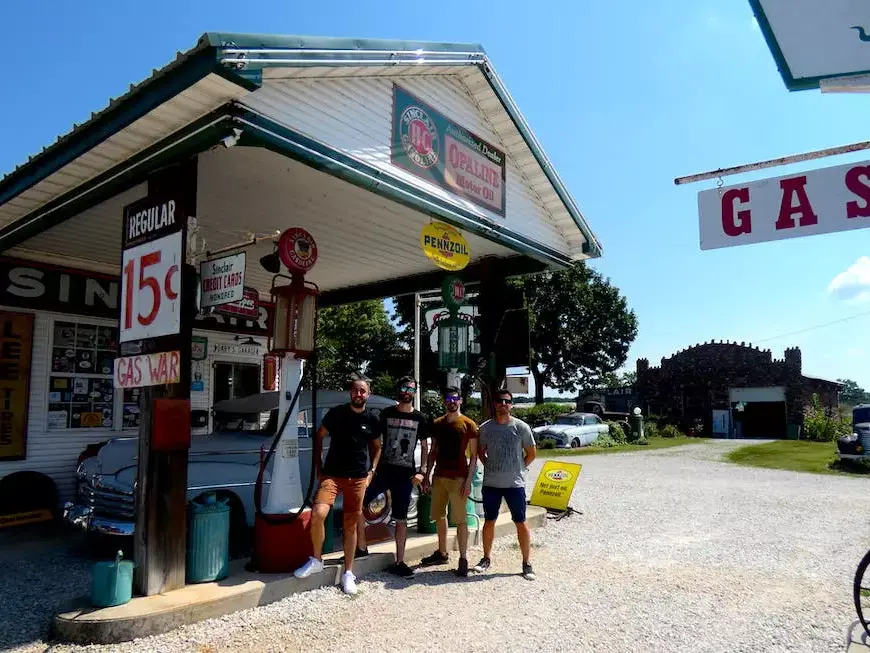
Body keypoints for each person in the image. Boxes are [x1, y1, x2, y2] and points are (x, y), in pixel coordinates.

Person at [294, 377, 382, 595]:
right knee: (318, 514)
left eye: (362, 391)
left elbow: (377, 447)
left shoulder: (372, 419)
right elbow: (319, 435)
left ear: (367, 394)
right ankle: (316, 559)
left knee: (350, 525)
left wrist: (372, 472)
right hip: (332, 475)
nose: (358, 394)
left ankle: (348, 573)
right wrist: (318, 467)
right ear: (350, 393)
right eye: (355, 390)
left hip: (358, 478)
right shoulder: (336, 414)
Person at [356, 376, 429, 578]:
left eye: (411, 388)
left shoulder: (420, 418)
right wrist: (370, 468)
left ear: (415, 392)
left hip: (406, 475)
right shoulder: (386, 414)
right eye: (404, 387)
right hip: (383, 471)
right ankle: (360, 547)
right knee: (358, 504)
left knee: (401, 519)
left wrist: (422, 472)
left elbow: (425, 447)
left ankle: (400, 561)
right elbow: (374, 440)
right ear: (399, 389)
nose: (407, 391)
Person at [474, 388, 537, 580]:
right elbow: (480, 452)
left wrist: (519, 469)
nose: (503, 404)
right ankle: (486, 558)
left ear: (511, 404)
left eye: (507, 401)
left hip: (515, 485)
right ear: (494, 404)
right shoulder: (485, 428)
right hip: (491, 483)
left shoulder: (521, 427)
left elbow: (532, 454)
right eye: (500, 401)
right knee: (489, 521)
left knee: (521, 523)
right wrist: (490, 466)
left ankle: (526, 563)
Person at [421, 386, 478, 577]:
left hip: (459, 478)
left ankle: (463, 558)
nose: (451, 402)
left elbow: (474, 456)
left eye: (455, 398)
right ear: (444, 401)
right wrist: (427, 474)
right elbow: (433, 450)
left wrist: (468, 481)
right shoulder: (437, 424)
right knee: (439, 515)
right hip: (439, 477)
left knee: (461, 520)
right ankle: (442, 552)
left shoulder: (468, 424)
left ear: (460, 401)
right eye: (448, 399)